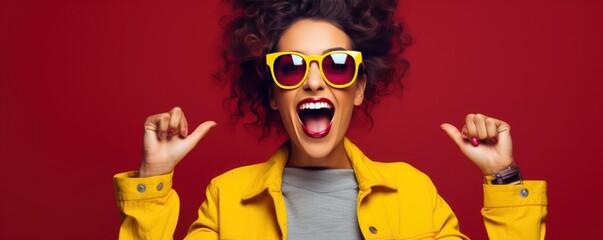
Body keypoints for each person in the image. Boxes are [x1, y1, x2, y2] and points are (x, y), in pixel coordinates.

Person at [114, 0, 547, 239]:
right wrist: (154, 177)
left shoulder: (413, 193)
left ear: (358, 89)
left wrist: (504, 178)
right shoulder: (227, 199)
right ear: (272, 93)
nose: (315, 83)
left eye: (337, 65)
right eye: (291, 67)